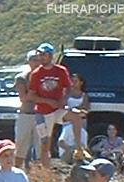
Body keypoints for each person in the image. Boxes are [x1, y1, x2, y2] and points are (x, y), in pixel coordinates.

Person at [28, 43, 72, 171]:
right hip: (42, 113)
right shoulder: (36, 74)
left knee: (77, 118)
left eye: (44, 55)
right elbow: (31, 96)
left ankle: (80, 149)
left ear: (51, 56)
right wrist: (47, 101)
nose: (41, 58)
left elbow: (68, 87)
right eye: (40, 55)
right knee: (45, 142)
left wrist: (64, 99)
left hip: (58, 109)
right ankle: (46, 171)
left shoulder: (61, 71)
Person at [14, 50, 41, 168]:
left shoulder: (44, 78)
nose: (37, 63)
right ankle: (16, 171)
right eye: (34, 60)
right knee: (21, 146)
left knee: (41, 147)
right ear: (29, 61)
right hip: (26, 114)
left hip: (41, 115)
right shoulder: (22, 78)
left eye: (39, 60)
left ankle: (41, 176)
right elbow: (24, 98)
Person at [64, 73, 90, 161]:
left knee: (81, 138)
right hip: (68, 120)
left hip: (80, 120)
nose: (73, 83)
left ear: (81, 82)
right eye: (72, 81)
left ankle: (80, 153)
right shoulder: (67, 94)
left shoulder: (84, 95)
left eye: (76, 81)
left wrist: (76, 109)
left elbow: (85, 108)